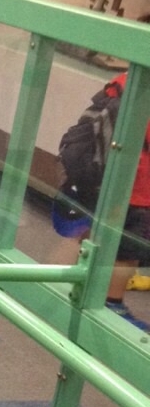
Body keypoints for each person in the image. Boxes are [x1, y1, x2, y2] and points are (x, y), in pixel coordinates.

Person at [52, 68, 150, 331]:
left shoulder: (127, 78)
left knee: (86, 233)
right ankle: (112, 303)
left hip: (103, 175)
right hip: (136, 187)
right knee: (126, 251)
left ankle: (50, 285)